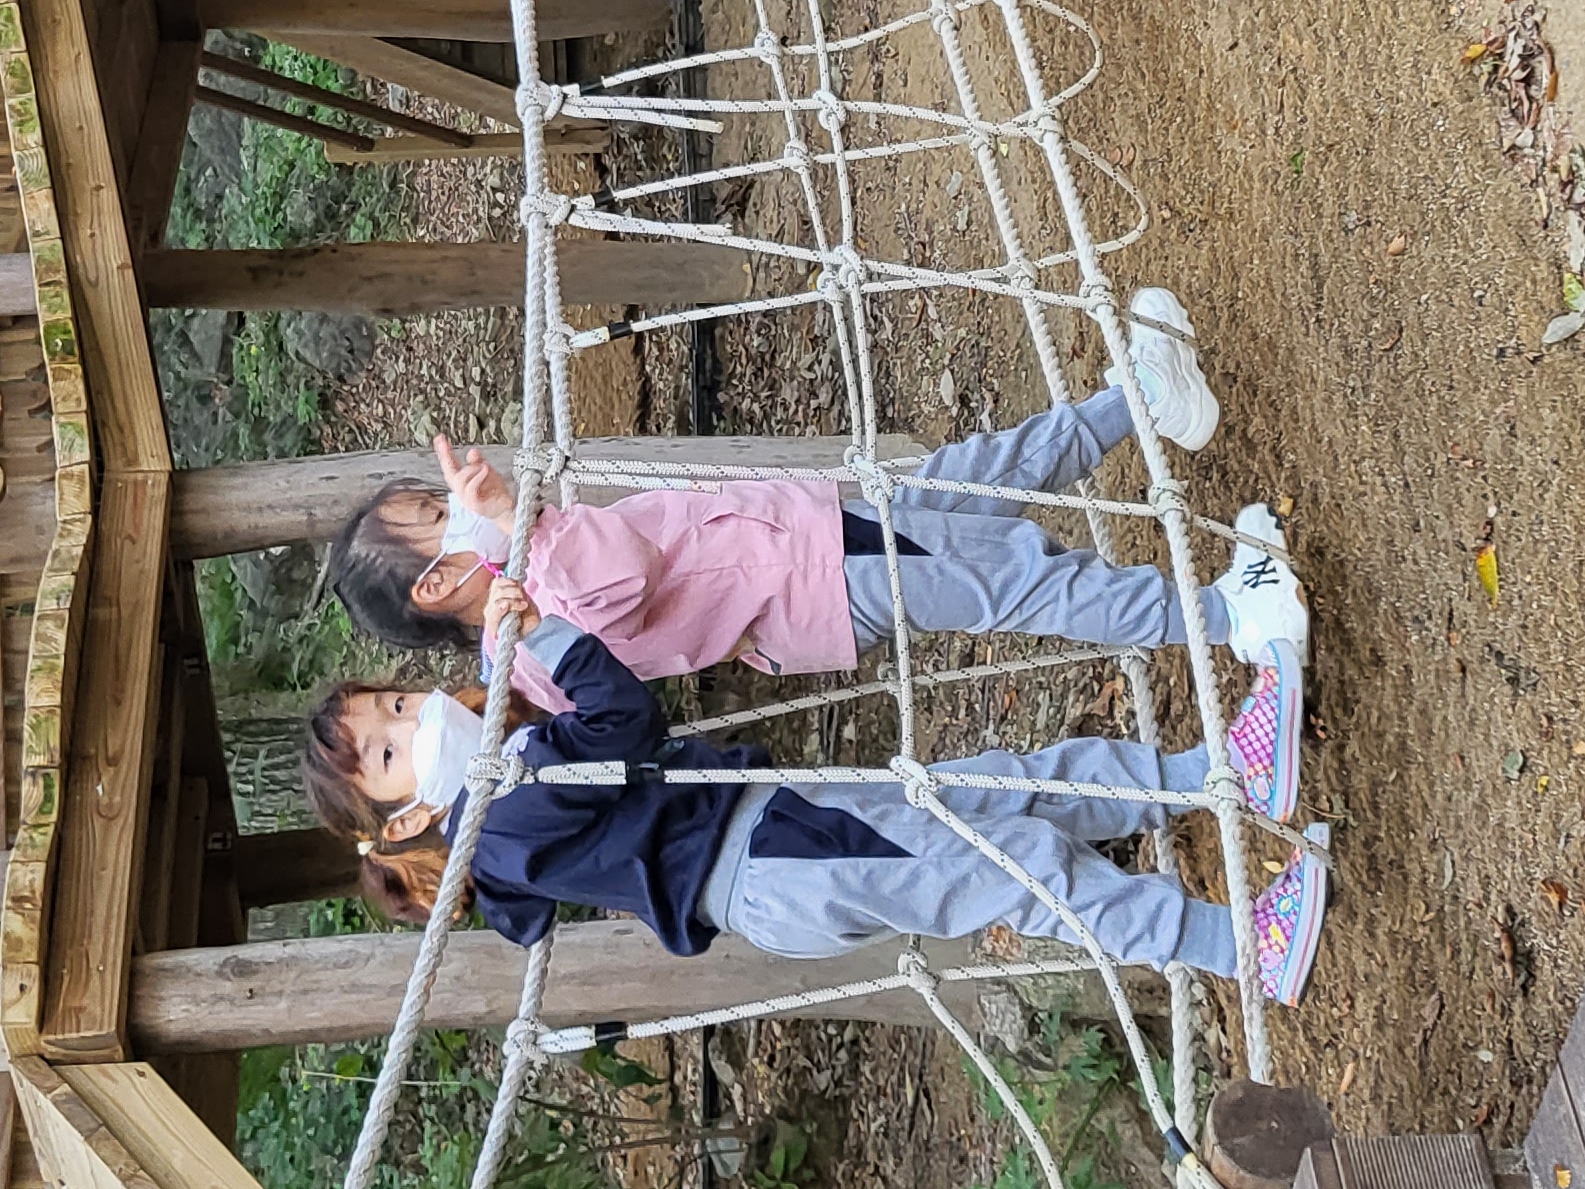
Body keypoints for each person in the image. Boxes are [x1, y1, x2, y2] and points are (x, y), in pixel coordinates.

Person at [322, 287, 1313, 824]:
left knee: (979, 472)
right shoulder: (531, 633)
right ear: (438, 576)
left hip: (795, 527)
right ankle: (1230, 615)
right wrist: (518, 523)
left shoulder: (525, 579)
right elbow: (620, 573)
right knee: (1015, 577)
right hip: (811, 589)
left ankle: (1139, 394)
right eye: (432, 505)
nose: (460, 492)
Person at [298, 586, 1331, 1001]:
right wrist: (542, 635)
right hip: (773, 864)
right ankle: (1241, 946)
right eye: (387, 753)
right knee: (1010, 865)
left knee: (1009, 792)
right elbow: (623, 724)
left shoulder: (512, 771)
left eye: (396, 701)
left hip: (776, 821)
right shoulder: (508, 822)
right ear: (408, 819)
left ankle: (1215, 778)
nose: (413, 721)